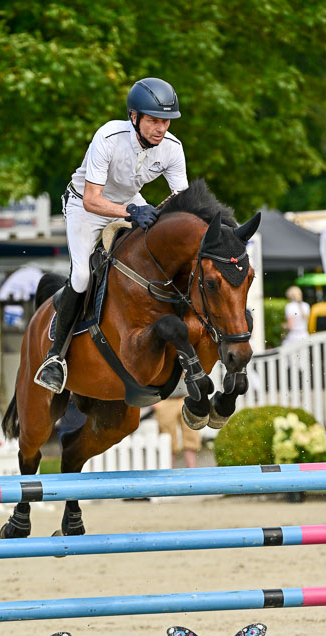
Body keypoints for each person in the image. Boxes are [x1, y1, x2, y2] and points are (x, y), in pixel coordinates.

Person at [35, 77, 188, 393]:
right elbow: (93, 199)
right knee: (81, 276)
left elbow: (182, 200)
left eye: (166, 122)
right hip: (85, 205)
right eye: (154, 120)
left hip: (129, 202)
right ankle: (55, 357)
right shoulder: (108, 137)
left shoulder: (173, 149)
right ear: (134, 116)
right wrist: (132, 212)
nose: (161, 128)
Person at [152, 378, 202, 468]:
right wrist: (152, 400)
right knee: (167, 437)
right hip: (165, 400)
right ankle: (167, 469)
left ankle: (192, 468)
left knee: (191, 434)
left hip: (186, 397)